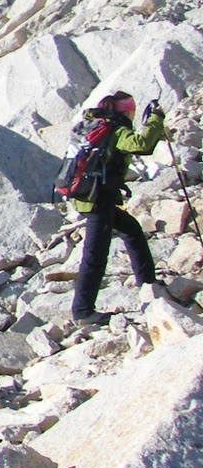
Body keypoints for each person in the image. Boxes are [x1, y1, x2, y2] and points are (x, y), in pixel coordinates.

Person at [70, 90, 164, 326]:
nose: (133, 113)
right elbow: (142, 145)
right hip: (98, 200)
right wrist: (156, 119)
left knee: (131, 230)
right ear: (126, 111)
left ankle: (148, 283)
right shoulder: (116, 131)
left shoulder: (94, 126)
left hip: (87, 195)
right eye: (131, 110)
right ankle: (82, 312)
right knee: (95, 256)